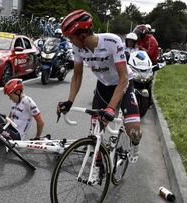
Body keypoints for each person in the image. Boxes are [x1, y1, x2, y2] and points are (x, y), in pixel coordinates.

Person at [57, 9, 141, 163]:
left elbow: (123, 78)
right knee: (96, 130)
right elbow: (77, 76)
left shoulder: (112, 41)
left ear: (82, 36)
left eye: (71, 38)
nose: (71, 42)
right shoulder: (78, 48)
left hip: (123, 85)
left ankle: (134, 144)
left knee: (134, 131)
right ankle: (99, 158)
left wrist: (111, 108)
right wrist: (69, 101)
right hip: (103, 86)